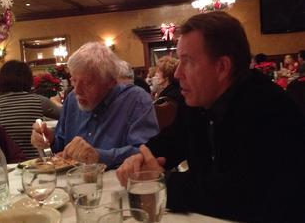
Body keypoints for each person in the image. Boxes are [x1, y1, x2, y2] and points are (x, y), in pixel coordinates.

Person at [117, 11, 305, 222]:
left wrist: (161, 181)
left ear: (222, 67)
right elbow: (173, 139)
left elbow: (240, 196)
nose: (178, 74)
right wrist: (142, 156)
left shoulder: (271, 110)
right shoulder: (199, 100)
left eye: (187, 61)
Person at [31, 42, 159, 169]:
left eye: (87, 83)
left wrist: (98, 156)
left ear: (111, 82)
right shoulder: (72, 100)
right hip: (74, 184)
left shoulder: (136, 100)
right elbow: (62, 146)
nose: (78, 91)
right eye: (74, 80)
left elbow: (146, 152)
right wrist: (50, 140)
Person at [0, 60, 61, 159]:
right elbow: (66, 116)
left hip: (6, 167)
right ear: (28, 79)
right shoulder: (38, 100)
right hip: (36, 164)